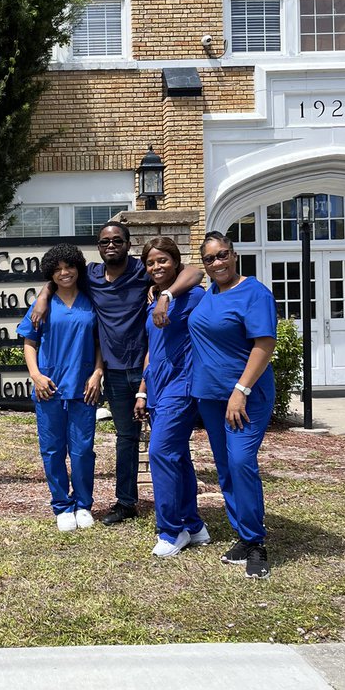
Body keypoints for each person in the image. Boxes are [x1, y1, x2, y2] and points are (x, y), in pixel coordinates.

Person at [32, 220, 203, 525]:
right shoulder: (92, 276)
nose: (110, 246)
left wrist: (165, 295)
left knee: (169, 438)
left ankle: (183, 508)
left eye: (117, 241)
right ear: (98, 248)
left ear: (128, 245)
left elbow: (195, 271)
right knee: (126, 437)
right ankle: (126, 502)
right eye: (104, 242)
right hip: (112, 372)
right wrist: (44, 296)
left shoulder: (142, 270)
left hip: (147, 368)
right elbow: (59, 275)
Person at [188, 231, 277, 580]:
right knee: (225, 467)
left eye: (223, 255)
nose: (217, 263)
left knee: (241, 462)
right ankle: (243, 535)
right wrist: (162, 294)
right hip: (210, 397)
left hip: (245, 397)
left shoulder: (254, 292)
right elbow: (184, 276)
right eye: (210, 259)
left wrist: (240, 389)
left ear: (234, 254)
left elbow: (264, 343)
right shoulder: (208, 294)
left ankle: (256, 543)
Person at [18, 244, 104, 532]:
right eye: (57, 269)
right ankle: (61, 506)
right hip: (49, 386)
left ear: (78, 267)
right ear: (50, 274)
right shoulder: (43, 303)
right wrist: (36, 375)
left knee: (82, 450)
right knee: (53, 449)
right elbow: (29, 342)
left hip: (84, 387)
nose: (64, 273)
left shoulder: (91, 301)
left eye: (68, 267)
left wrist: (98, 372)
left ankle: (83, 504)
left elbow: (99, 341)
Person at [133, 236, 210, 557]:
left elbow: (197, 271)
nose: (156, 267)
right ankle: (193, 525)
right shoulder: (152, 299)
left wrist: (166, 295)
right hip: (157, 386)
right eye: (150, 262)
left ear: (175, 262)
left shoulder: (190, 295)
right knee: (177, 456)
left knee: (160, 453)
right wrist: (141, 389)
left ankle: (171, 530)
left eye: (163, 260)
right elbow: (154, 347)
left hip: (182, 385)